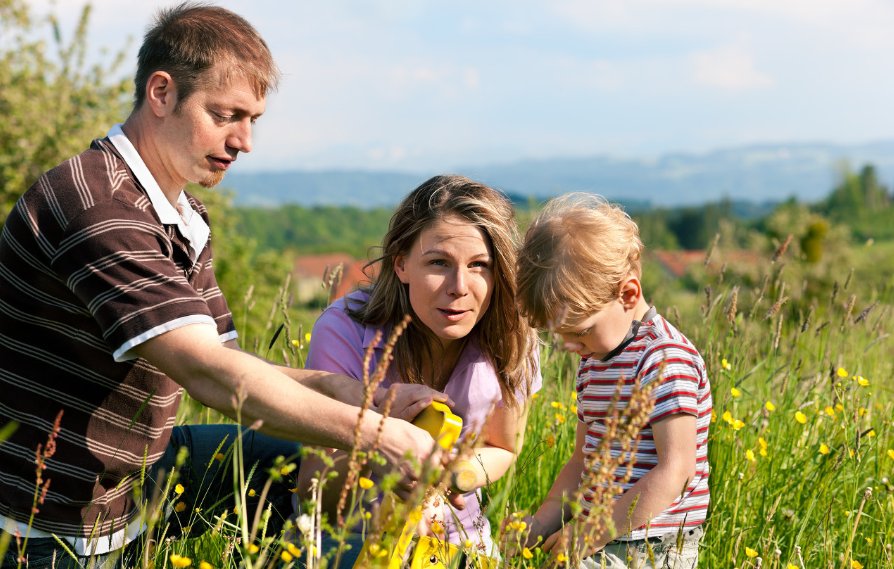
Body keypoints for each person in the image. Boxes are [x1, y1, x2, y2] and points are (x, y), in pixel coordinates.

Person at [0, 4, 439, 568]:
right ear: (161, 93)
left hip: (131, 484)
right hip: (45, 523)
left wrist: (359, 397)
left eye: (253, 118)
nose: (245, 140)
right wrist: (378, 435)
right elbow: (206, 373)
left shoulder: (181, 213)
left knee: (302, 460)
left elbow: (229, 359)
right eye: (226, 114)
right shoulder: (98, 207)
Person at [294, 175, 542, 565]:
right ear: (401, 264)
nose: (459, 286)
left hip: (459, 542)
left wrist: (454, 476)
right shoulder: (343, 331)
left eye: (480, 266)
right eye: (439, 263)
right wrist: (379, 446)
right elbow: (315, 492)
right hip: (349, 541)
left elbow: (503, 447)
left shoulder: (512, 335)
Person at [514, 193, 711, 568]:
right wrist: (539, 524)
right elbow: (580, 463)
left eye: (582, 332)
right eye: (563, 336)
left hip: (652, 544)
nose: (571, 347)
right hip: (599, 537)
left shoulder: (664, 360)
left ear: (628, 294)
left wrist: (590, 532)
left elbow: (677, 471)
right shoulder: (595, 361)